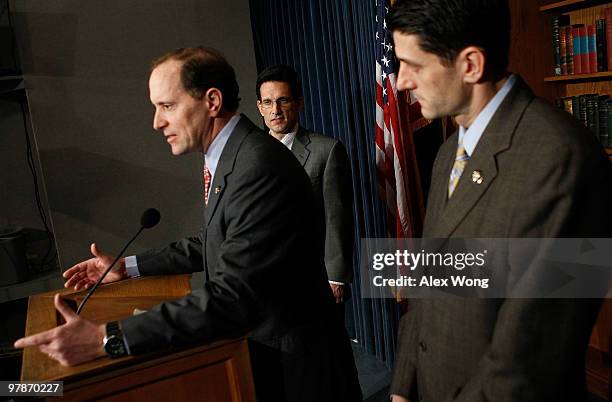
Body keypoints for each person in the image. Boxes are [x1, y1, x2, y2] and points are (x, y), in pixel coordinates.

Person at [15, 47, 362, 402]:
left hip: (298, 369)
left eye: (167, 106)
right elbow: (212, 241)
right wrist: (128, 267)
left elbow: (231, 298)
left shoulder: (257, 165)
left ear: (212, 101)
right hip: (271, 354)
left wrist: (107, 338)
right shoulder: (234, 156)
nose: (156, 121)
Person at [387, 1, 612, 401]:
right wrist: (403, 386)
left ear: (470, 64)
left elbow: (531, 361)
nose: (401, 82)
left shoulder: (566, 158)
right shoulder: (447, 153)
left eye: (413, 66)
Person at [255, 65, 354, 313]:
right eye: (268, 102)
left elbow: (336, 217)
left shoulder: (326, 150)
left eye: (282, 100)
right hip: (266, 281)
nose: (275, 110)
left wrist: (336, 277)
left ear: (299, 102)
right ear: (260, 108)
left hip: (315, 279)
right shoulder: (250, 156)